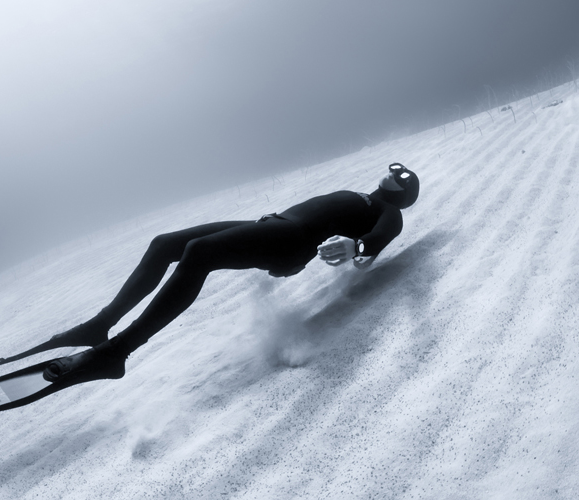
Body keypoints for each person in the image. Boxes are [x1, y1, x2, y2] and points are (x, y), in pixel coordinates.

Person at [42, 162, 420, 385]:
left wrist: (358, 247)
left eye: (401, 177)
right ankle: (100, 324)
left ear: (403, 194)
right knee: (165, 243)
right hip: (274, 225)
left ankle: (117, 350)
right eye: (394, 170)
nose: (392, 174)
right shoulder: (365, 196)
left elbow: (380, 237)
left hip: (292, 239)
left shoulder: (391, 213)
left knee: (199, 252)